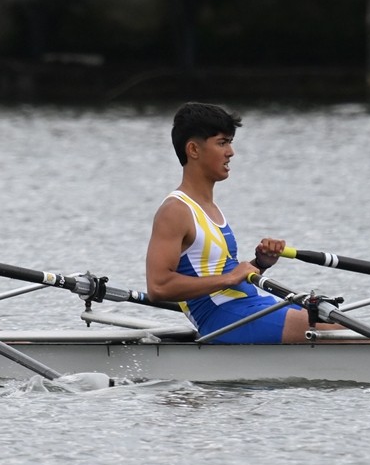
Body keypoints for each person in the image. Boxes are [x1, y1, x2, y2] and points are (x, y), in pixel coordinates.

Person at [145, 102, 338, 343]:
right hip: (224, 319)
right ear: (193, 150)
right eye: (222, 143)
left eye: (230, 143)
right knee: (339, 332)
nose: (231, 152)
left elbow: (224, 272)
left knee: (337, 321)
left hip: (252, 307)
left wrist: (259, 264)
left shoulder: (210, 208)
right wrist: (230, 278)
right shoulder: (175, 211)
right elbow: (158, 287)